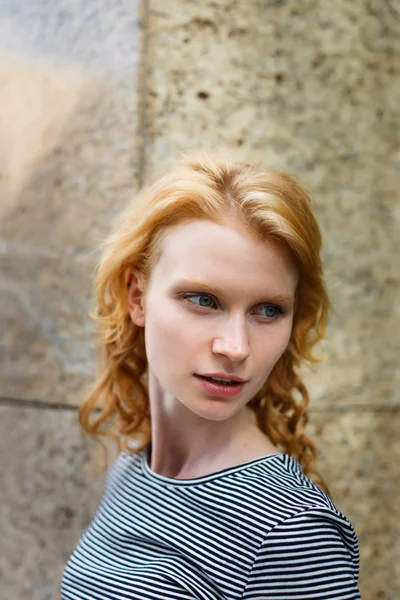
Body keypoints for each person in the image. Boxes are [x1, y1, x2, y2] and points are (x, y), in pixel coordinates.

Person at [61, 154, 361, 599]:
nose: (236, 347)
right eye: (204, 300)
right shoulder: (133, 467)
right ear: (138, 298)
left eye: (268, 310)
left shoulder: (291, 531)